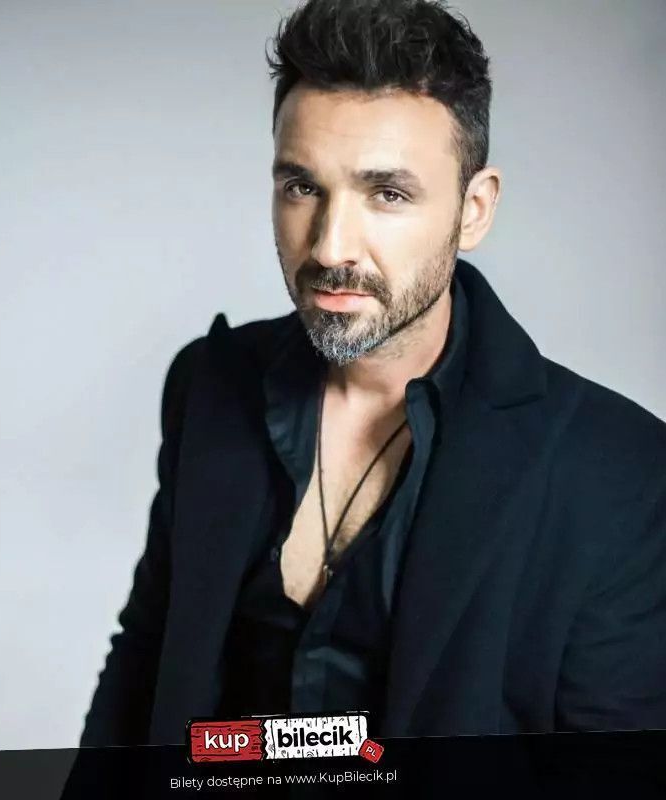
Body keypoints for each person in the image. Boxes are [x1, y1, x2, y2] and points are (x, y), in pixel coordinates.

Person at [79, 0, 666, 746]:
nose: (330, 247)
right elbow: (146, 662)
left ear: (474, 209)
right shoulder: (210, 384)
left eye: (387, 194)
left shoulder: (619, 470)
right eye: (302, 187)